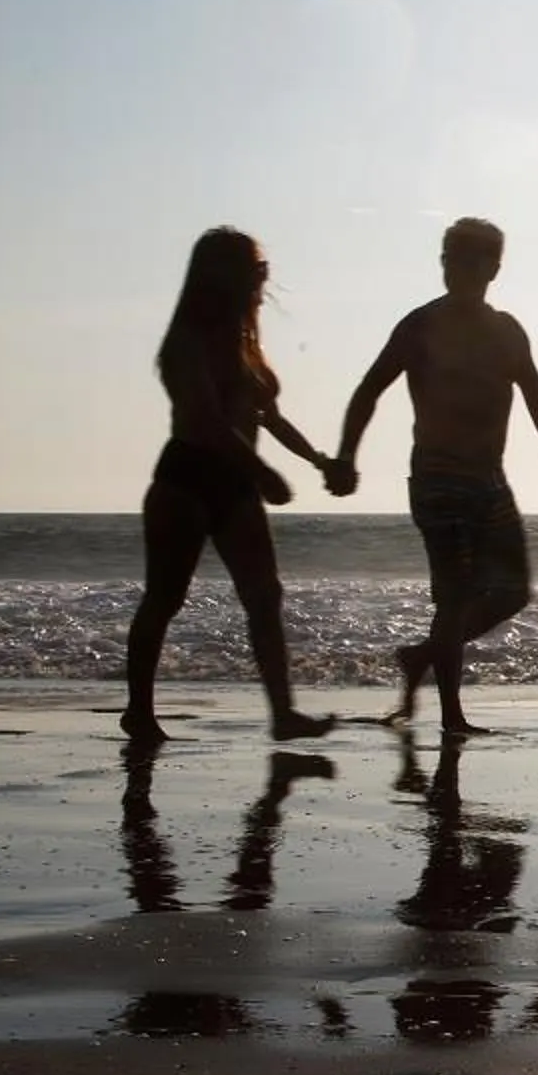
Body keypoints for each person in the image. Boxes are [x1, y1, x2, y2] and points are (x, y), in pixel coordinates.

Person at [331, 217, 538, 732]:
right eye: (448, 259)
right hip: (438, 479)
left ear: (493, 268)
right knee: (456, 596)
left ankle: (423, 656)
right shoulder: (421, 325)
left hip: (490, 478)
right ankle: (451, 717)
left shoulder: (507, 332)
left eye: (468, 260)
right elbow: (369, 388)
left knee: (513, 592)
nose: (455, 270)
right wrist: (348, 455)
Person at [123, 226, 341, 742]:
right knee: (164, 599)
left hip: (235, 484)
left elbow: (270, 417)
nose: (264, 277)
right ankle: (139, 711)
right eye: (255, 267)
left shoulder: (246, 340)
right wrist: (262, 471)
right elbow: (205, 420)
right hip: (188, 478)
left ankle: (283, 714)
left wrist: (318, 460)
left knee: (265, 596)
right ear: (224, 274)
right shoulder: (187, 341)